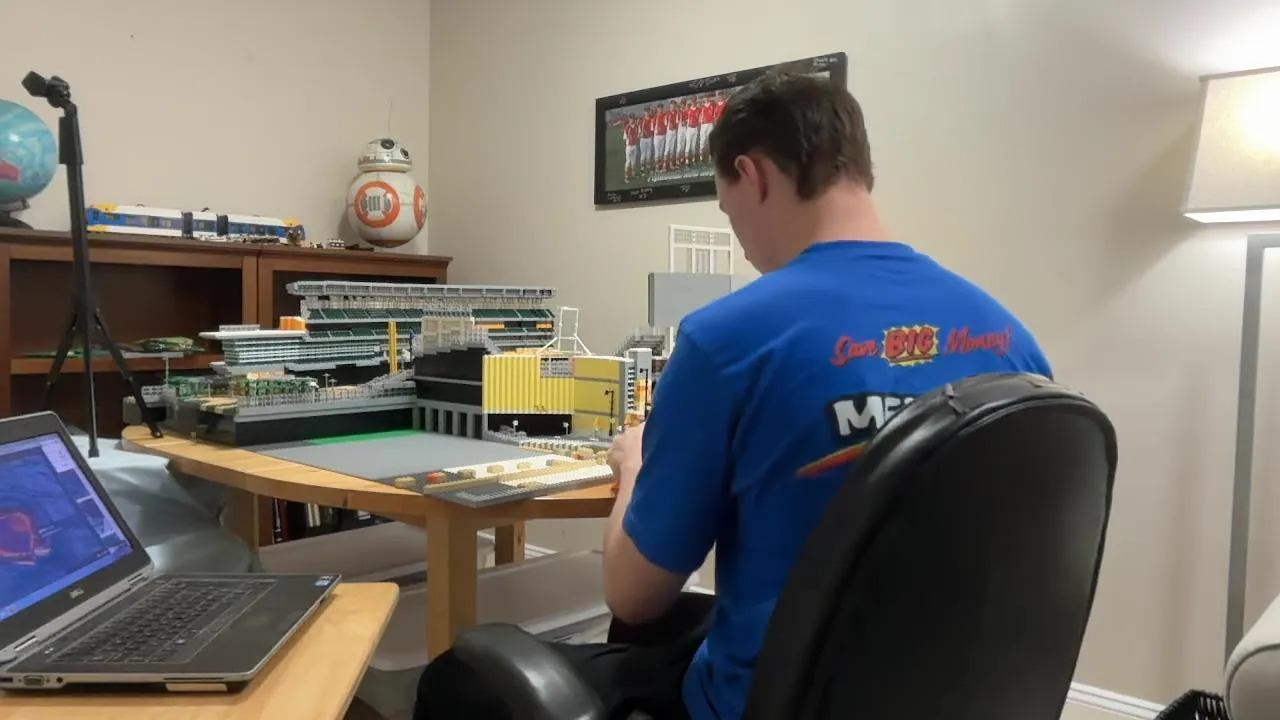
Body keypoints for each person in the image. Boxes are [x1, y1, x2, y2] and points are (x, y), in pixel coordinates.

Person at [413, 71, 1052, 720]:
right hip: (943, 692)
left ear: (754, 176)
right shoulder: (1012, 340)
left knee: (461, 679)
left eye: (728, 211)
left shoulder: (728, 340)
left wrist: (635, 466)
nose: (744, 247)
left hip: (772, 701)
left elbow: (633, 596)